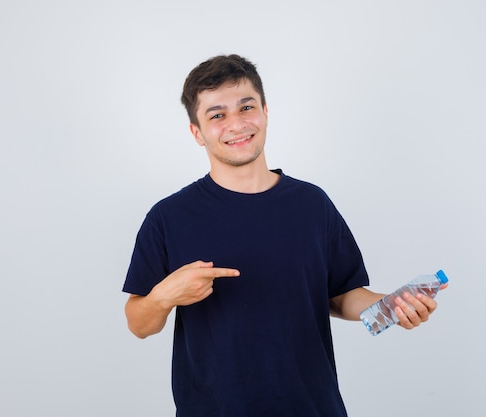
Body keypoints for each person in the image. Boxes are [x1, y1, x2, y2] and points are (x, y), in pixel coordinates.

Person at [123, 54, 444, 417]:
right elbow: (139, 323)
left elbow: (341, 296)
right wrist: (165, 296)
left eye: (247, 107)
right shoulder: (169, 217)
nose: (237, 124)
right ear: (197, 132)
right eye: (217, 115)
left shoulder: (312, 204)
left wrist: (395, 305)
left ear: (265, 112)